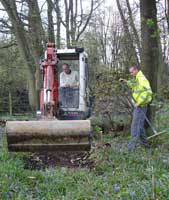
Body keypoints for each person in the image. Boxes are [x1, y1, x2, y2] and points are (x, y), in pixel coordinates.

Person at [120, 65, 153, 151]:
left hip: (140, 107)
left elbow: (148, 92)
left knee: (135, 127)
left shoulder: (141, 79)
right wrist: (126, 82)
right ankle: (147, 148)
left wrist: (139, 103)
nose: (131, 74)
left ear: (136, 70)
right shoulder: (137, 79)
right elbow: (134, 85)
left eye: (131, 72)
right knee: (140, 127)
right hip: (139, 107)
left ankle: (131, 150)